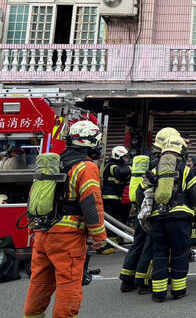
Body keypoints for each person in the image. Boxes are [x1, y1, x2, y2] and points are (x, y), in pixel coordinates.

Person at [24, 120, 107, 318]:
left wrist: (32, 228)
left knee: (39, 282)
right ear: (91, 143)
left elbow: (34, 196)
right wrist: (99, 235)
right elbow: (91, 203)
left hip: (42, 232)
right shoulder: (86, 167)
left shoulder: (54, 163)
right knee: (69, 284)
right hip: (67, 238)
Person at [139, 134, 196, 302]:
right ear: (181, 150)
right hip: (180, 218)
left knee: (159, 253)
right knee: (180, 253)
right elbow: (194, 194)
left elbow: (141, 191)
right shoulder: (186, 170)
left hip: (158, 218)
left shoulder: (154, 170)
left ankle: (158, 293)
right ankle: (178, 290)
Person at [119, 127, 180, 294]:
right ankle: (144, 281)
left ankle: (127, 278)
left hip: (140, 207)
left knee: (137, 242)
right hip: (152, 209)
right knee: (151, 244)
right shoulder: (160, 162)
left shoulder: (147, 158)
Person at [97, 145, 131, 255]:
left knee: (117, 221)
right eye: (124, 157)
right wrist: (131, 168)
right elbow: (119, 172)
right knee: (111, 221)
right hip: (108, 198)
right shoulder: (110, 165)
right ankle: (106, 244)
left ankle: (113, 242)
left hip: (117, 199)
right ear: (118, 156)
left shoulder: (120, 166)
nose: (126, 159)